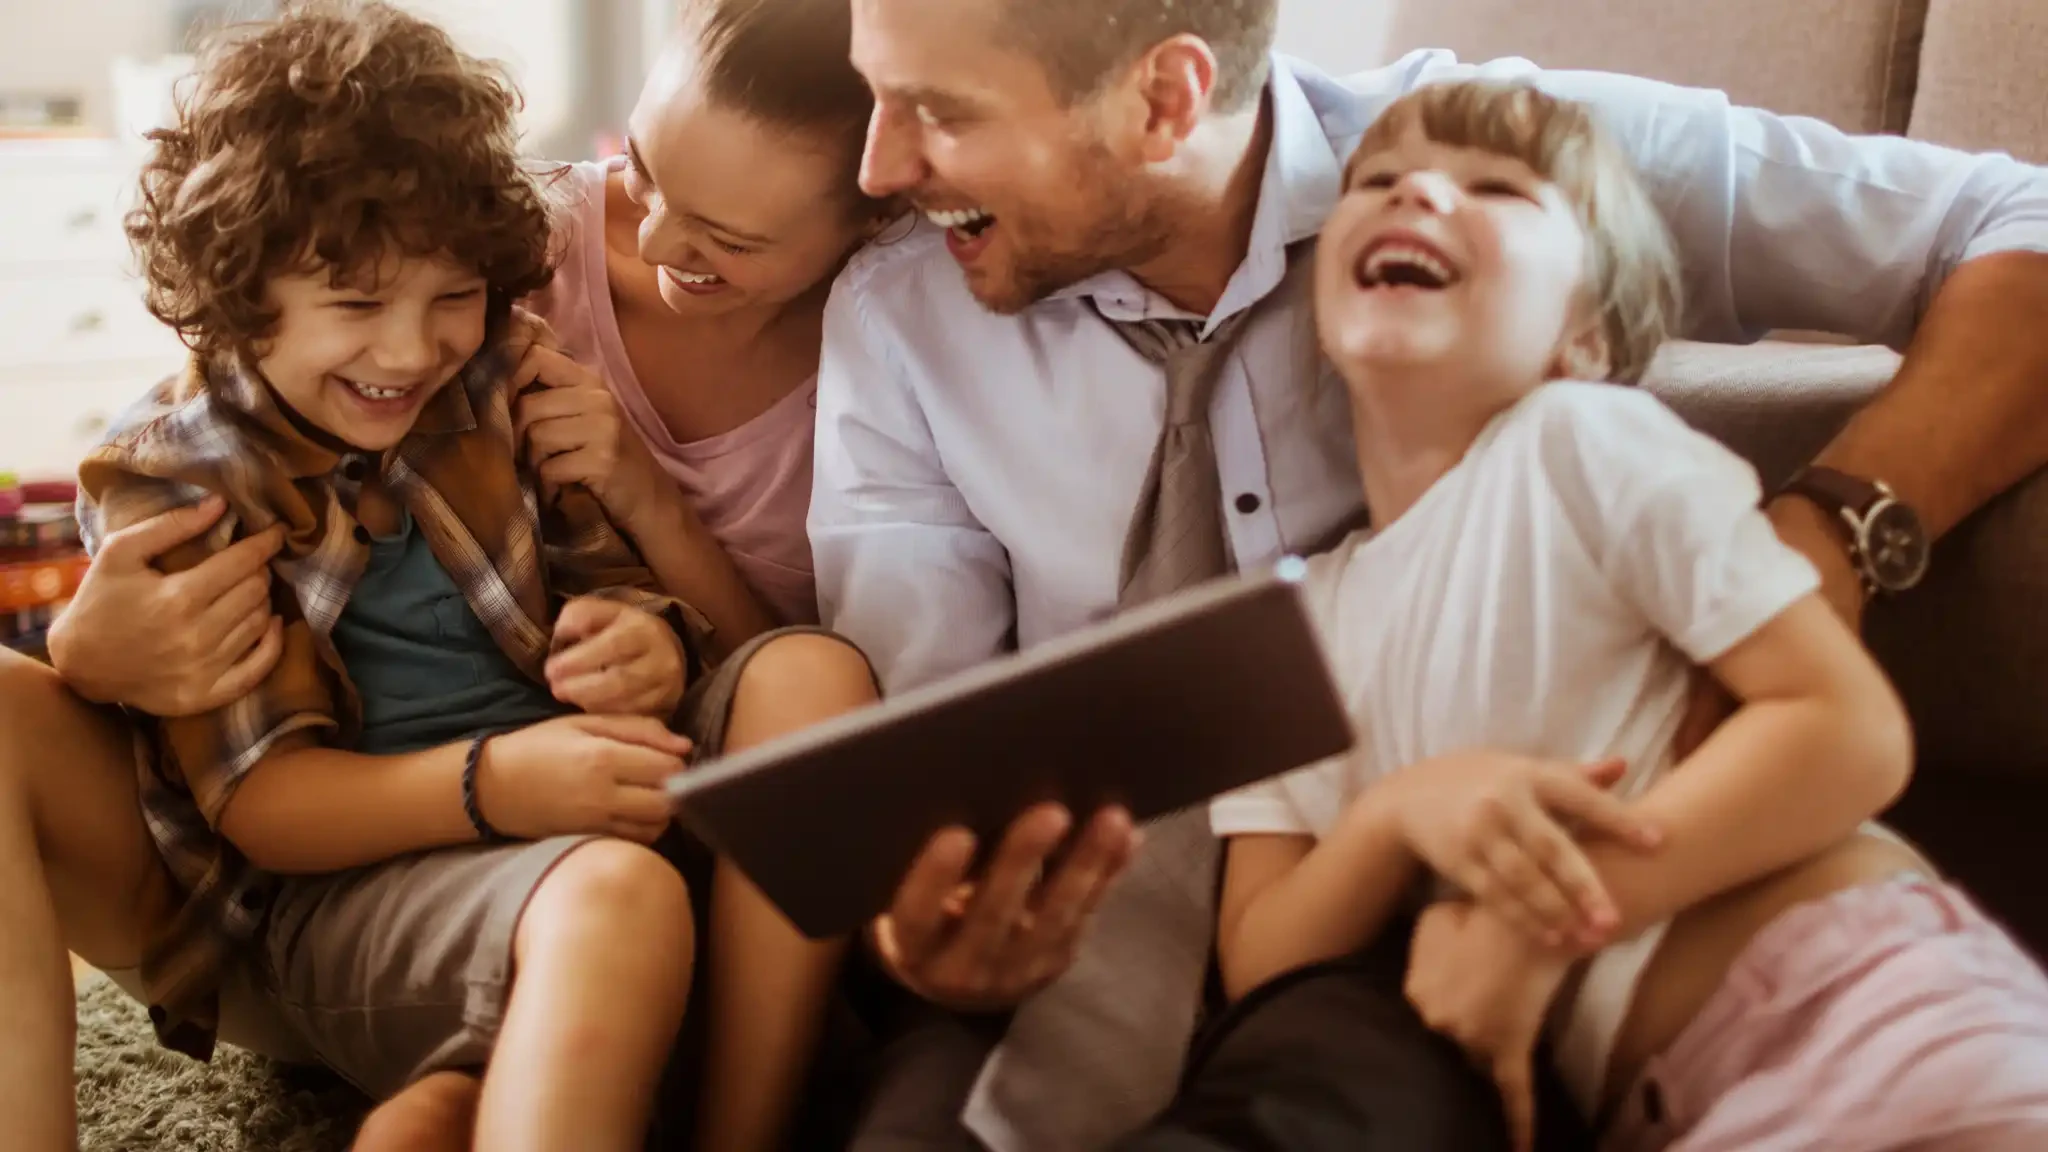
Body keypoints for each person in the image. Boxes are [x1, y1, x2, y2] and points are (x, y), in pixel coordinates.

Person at [810, 0, 2048, 1147]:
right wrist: (921, 929)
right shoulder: (904, 322)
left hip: (1776, 1006)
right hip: (1314, 985)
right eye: (877, 95)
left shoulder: (1509, 158)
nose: (875, 170)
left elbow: (2020, 224)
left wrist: (1826, 531)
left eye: (943, 110)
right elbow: (926, 762)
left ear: (1164, 98)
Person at [0, 4, 879, 1152]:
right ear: (237, 289)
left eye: (451, 299)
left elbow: (601, 575)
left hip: (588, 834)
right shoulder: (193, 475)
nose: (411, 350)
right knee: (610, 902)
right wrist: (495, 784)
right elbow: (260, 806)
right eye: (360, 307)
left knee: (806, 679)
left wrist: (641, 637)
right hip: (398, 879)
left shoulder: (501, 369)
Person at [1211, 78, 2048, 1152]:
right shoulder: (1290, 624)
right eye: (1375, 181)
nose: (1415, 191)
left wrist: (1541, 928)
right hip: (1664, 1108)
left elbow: (1849, 734)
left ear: (1587, 340)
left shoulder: (1579, 441)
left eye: (1495, 190)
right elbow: (1262, 962)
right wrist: (1393, 814)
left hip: (1860, 1008)